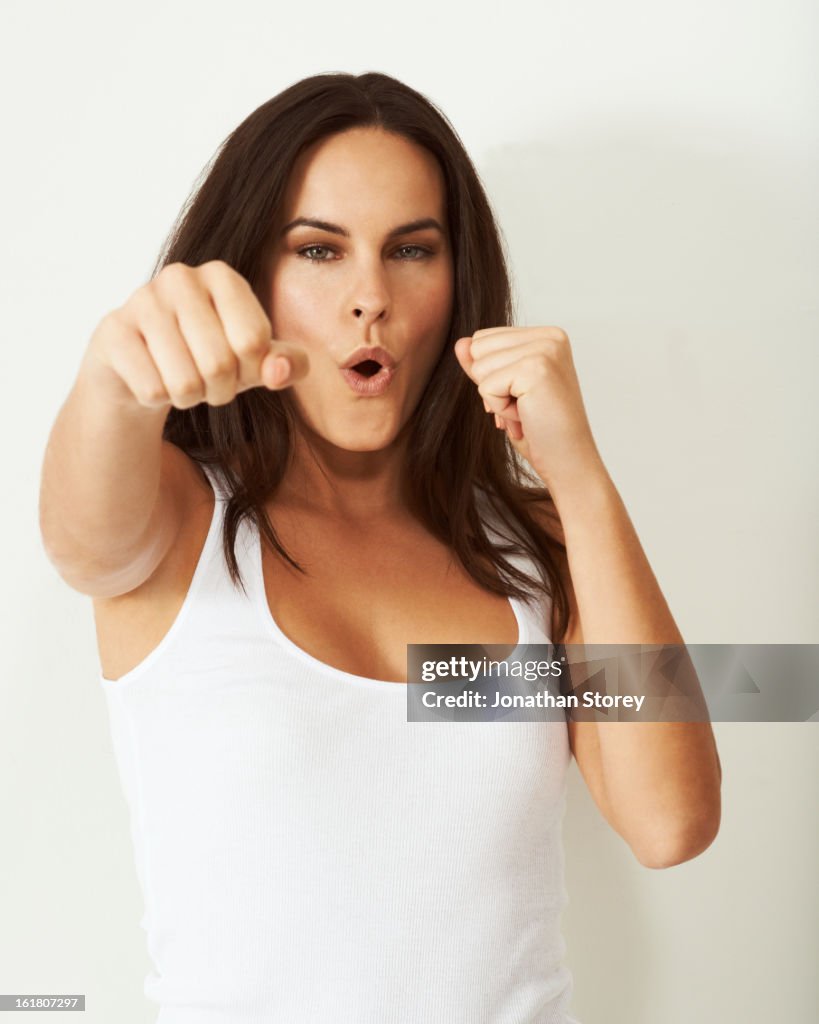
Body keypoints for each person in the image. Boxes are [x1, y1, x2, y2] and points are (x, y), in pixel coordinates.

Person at [39, 71, 721, 1023]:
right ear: (251, 278)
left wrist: (577, 473)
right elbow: (82, 549)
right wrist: (115, 379)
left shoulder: (532, 551)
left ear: (457, 280)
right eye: (319, 250)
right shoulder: (174, 515)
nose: (370, 297)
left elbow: (669, 823)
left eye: (411, 249)